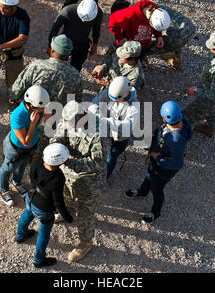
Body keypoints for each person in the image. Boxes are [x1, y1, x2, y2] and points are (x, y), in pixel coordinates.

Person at [51, 100, 110, 262]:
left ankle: (86, 242)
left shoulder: (100, 132)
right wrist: (55, 145)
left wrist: (71, 163)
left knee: (85, 214)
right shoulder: (70, 119)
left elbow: (97, 162)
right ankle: (67, 212)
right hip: (67, 174)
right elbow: (59, 134)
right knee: (65, 197)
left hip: (89, 181)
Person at [124, 101, 192, 224]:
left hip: (163, 170)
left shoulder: (176, 140)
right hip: (156, 162)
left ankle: (155, 212)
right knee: (149, 176)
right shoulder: (178, 122)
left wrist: (158, 158)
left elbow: (177, 163)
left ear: (165, 119)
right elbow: (163, 128)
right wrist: (155, 133)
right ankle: (143, 191)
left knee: (157, 189)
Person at [16, 143, 73, 268]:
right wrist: (68, 218)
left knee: (26, 215)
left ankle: (21, 236)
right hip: (44, 210)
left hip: (30, 197)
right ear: (60, 163)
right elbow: (58, 202)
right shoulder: (58, 177)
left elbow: (31, 176)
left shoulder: (37, 161)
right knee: (43, 235)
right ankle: (39, 260)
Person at [0, 85, 50, 206]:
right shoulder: (18, 115)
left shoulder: (35, 111)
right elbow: (25, 141)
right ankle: (3, 188)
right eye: (41, 108)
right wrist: (33, 124)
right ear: (31, 105)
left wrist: (44, 119)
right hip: (16, 150)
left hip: (29, 148)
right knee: (7, 169)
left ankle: (17, 182)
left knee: (22, 166)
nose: (43, 110)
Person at [183, 31, 215, 137]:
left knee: (187, 115)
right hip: (212, 89)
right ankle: (209, 128)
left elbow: (214, 95)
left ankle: (181, 135)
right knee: (212, 110)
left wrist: (195, 91)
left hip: (210, 97)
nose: (210, 49)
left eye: (213, 48)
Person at [88, 76, 139, 180]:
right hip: (104, 132)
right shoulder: (109, 92)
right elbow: (93, 106)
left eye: (117, 100)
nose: (114, 102)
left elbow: (128, 127)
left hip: (119, 139)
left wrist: (106, 121)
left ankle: (104, 178)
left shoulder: (134, 106)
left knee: (111, 158)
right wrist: (100, 117)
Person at [108, 0, 170, 66]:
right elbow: (112, 22)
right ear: (151, 21)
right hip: (130, 47)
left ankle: (141, 58)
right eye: (154, 27)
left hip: (143, 46)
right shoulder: (130, 14)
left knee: (140, 61)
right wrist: (120, 38)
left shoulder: (156, 13)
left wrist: (159, 36)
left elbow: (156, 28)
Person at [48, 0, 103, 72]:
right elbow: (55, 28)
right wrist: (50, 46)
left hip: (82, 44)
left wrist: (95, 44)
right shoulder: (67, 11)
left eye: (87, 20)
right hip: (65, 43)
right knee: (58, 66)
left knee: (76, 68)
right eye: (82, 17)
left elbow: (96, 29)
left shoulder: (98, 13)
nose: (83, 20)